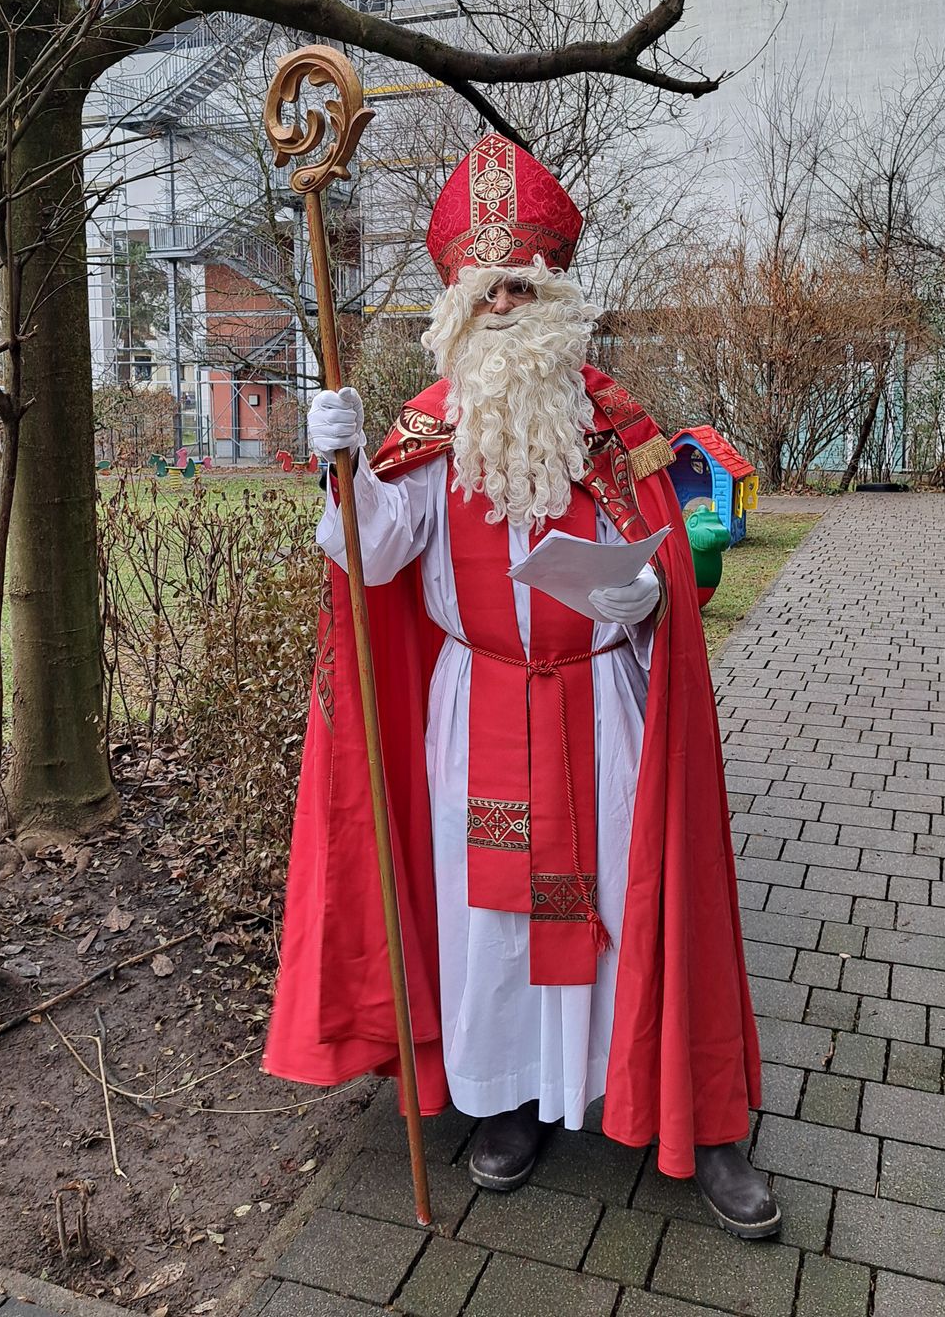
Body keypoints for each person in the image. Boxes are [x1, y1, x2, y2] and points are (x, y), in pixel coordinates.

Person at [264, 134, 777, 1238]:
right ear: (455, 302)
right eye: (482, 288)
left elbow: (664, 562)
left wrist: (643, 601)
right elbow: (371, 557)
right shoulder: (426, 429)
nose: (500, 305)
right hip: (475, 709)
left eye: (520, 286)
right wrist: (339, 465)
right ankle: (509, 1103)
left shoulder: (615, 424)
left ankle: (689, 1106)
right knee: (487, 914)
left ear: (552, 295)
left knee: (623, 905)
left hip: (604, 707)